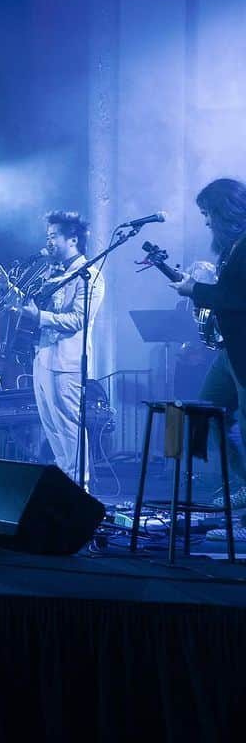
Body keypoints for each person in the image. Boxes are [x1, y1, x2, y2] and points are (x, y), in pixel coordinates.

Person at [0, 211, 106, 485]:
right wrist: (6, 288)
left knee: (68, 425)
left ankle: (80, 486)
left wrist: (38, 316)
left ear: (73, 239)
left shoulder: (90, 275)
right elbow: (31, 307)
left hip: (67, 361)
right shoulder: (53, 273)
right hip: (43, 357)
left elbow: (79, 319)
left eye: (54, 236)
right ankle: (65, 482)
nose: (49, 242)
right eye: (48, 236)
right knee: (52, 426)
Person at [169, 178, 246, 504]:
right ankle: (244, 485)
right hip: (231, 350)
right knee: (206, 411)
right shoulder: (232, 248)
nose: (205, 222)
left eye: (207, 213)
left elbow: (239, 297)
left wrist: (197, 291)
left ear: (224, 210)